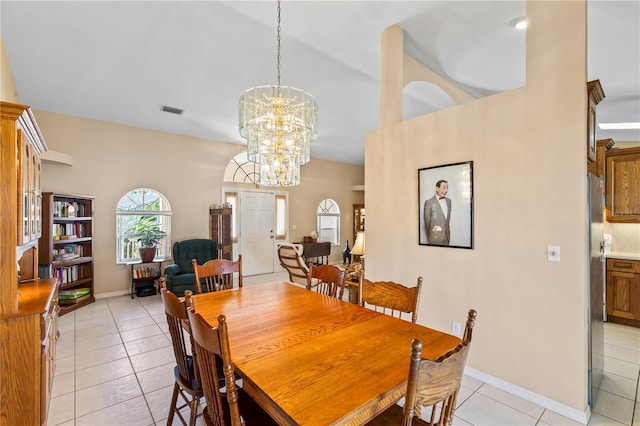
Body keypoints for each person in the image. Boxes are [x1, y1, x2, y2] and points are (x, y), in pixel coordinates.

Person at [423, 180, 451, 245]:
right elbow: (427, 223)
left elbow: (447, 221)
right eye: (444, 188)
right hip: (434, 239)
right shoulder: (429, 202)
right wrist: (432, 236)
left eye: (447, 188)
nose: (446, 190)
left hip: (447, 238)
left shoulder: (449, 201)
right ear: (437, 188)